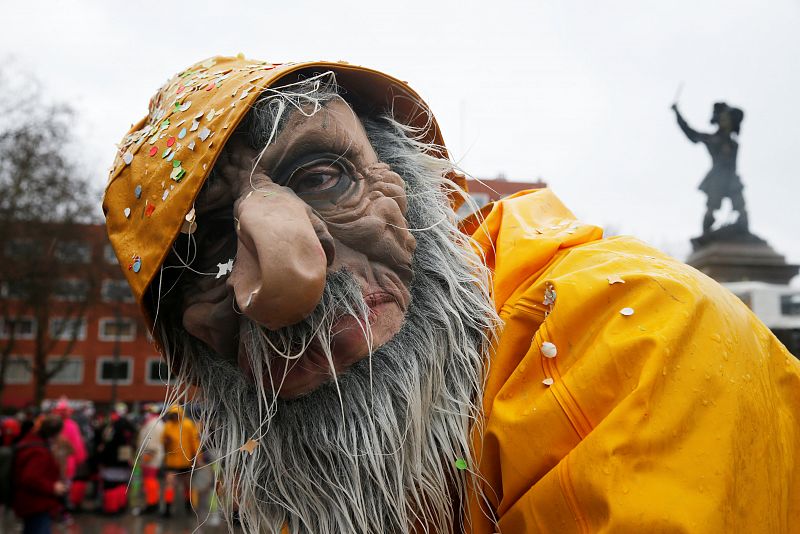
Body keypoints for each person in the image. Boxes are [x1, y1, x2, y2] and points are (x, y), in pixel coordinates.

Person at [102, 56, 800, 533]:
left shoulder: (634, 333)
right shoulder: (298, 470)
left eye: (323, 177)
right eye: (209, 249)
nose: (289, 275)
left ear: (423, 191)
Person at [671, 101, 748, 234]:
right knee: (711, 208)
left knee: (741, 208)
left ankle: (744, 233)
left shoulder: (734, 143)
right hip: (717, 178)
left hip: (732, 178)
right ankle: (706, 235)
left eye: (728, 118)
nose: (725, 121)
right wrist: (677, 113)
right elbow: (690, 132)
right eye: (723, 118)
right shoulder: (712, 139)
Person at [12, 415, 67, 534]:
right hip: (37, 505)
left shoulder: (31, 442)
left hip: (30, 503)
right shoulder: (39, 451)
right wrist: (53, 487)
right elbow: (30, 477)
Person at [160, 405, 200, 517]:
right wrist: (166, 441)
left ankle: (188, 506)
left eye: (175, 414)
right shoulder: (168, 425)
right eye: (172, 415)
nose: (173, 417)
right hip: (172, 462)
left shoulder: (188, 425)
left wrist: (197, 458)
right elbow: (163, 442)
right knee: (170, 484)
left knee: (187, 486)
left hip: (185, 462)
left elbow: (194, 442)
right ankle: (167, 508)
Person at [136, 404, 164, 514]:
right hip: (150, 456)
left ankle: (152, 504)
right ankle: (151, 502)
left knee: (150, 481)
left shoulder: (154, 424)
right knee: (149, 481)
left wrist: (146, 458)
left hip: (151, 457)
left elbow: (151, 443)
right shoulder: (153, 423)